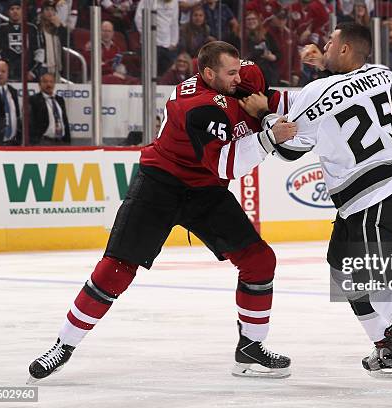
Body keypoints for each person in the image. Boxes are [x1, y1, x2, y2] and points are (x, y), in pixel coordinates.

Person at [27, 41, 296, 383]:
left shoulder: (243, 77)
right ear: (208, 73)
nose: (238, 77)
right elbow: (227, 165)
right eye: (230, 73)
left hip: (205, 191)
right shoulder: (195, 106)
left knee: (260, 261)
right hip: (161, 184)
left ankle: (250, 349)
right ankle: (63, 346)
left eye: (239, 69)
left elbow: (279, 102)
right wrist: (270, 134)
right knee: (115, 270)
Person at [240, 22, 392, 396]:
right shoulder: (381, 75)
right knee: (342, 271)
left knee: (386, 291)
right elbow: (336, 95)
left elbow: (288, 147)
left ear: (346, 49)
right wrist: (323, 66)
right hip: (376, 197)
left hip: (372, 198)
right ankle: (386, 349)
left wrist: (264, 115)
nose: (322, 44)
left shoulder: (316, 90)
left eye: (329, 42)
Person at [0, 1, 44, 81]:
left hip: (28, 74)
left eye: (18, 8)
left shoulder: (32, 28)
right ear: (8, 12)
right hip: (7, 75)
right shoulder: (1, 29)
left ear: (23, 11)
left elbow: (40, 52)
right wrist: (2, 70)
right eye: (12, 9)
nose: (15, 11)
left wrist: (33, 72)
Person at [135, 0, 180, 76]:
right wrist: (147, 36)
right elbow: (139, 19)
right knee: (149, 74)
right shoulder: (146, 1)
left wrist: (173, 42)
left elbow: (174, 22)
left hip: (167, 45)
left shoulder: (174, 2)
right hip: (149, 44)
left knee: (165, 75)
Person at [28, 72, 71, 145]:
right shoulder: (33, 100)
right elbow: (30, 123)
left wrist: (67, 140)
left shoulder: (59, 99)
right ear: (39, 84)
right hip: (43, 142)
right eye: (45, 82)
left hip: (61, 141)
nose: (49, 84)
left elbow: (64, 120)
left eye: (51, 82)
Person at [243, 11, 281, 86]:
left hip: (265, 73)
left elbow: (278, 54)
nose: (251, 21)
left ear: (258, 20)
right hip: (246, 72)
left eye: (253, 19)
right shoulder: (238, 36)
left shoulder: (267, 35)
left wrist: (272, 57)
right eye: (248, 19)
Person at [39, 0, 70, 81]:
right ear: (42, 12)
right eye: (47, 10)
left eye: (52, 10)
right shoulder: (37, 27)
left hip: (57, 67)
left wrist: (60, 27)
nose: (50, 12)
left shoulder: (59, 27)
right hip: (43, 66)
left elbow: (68, 43)